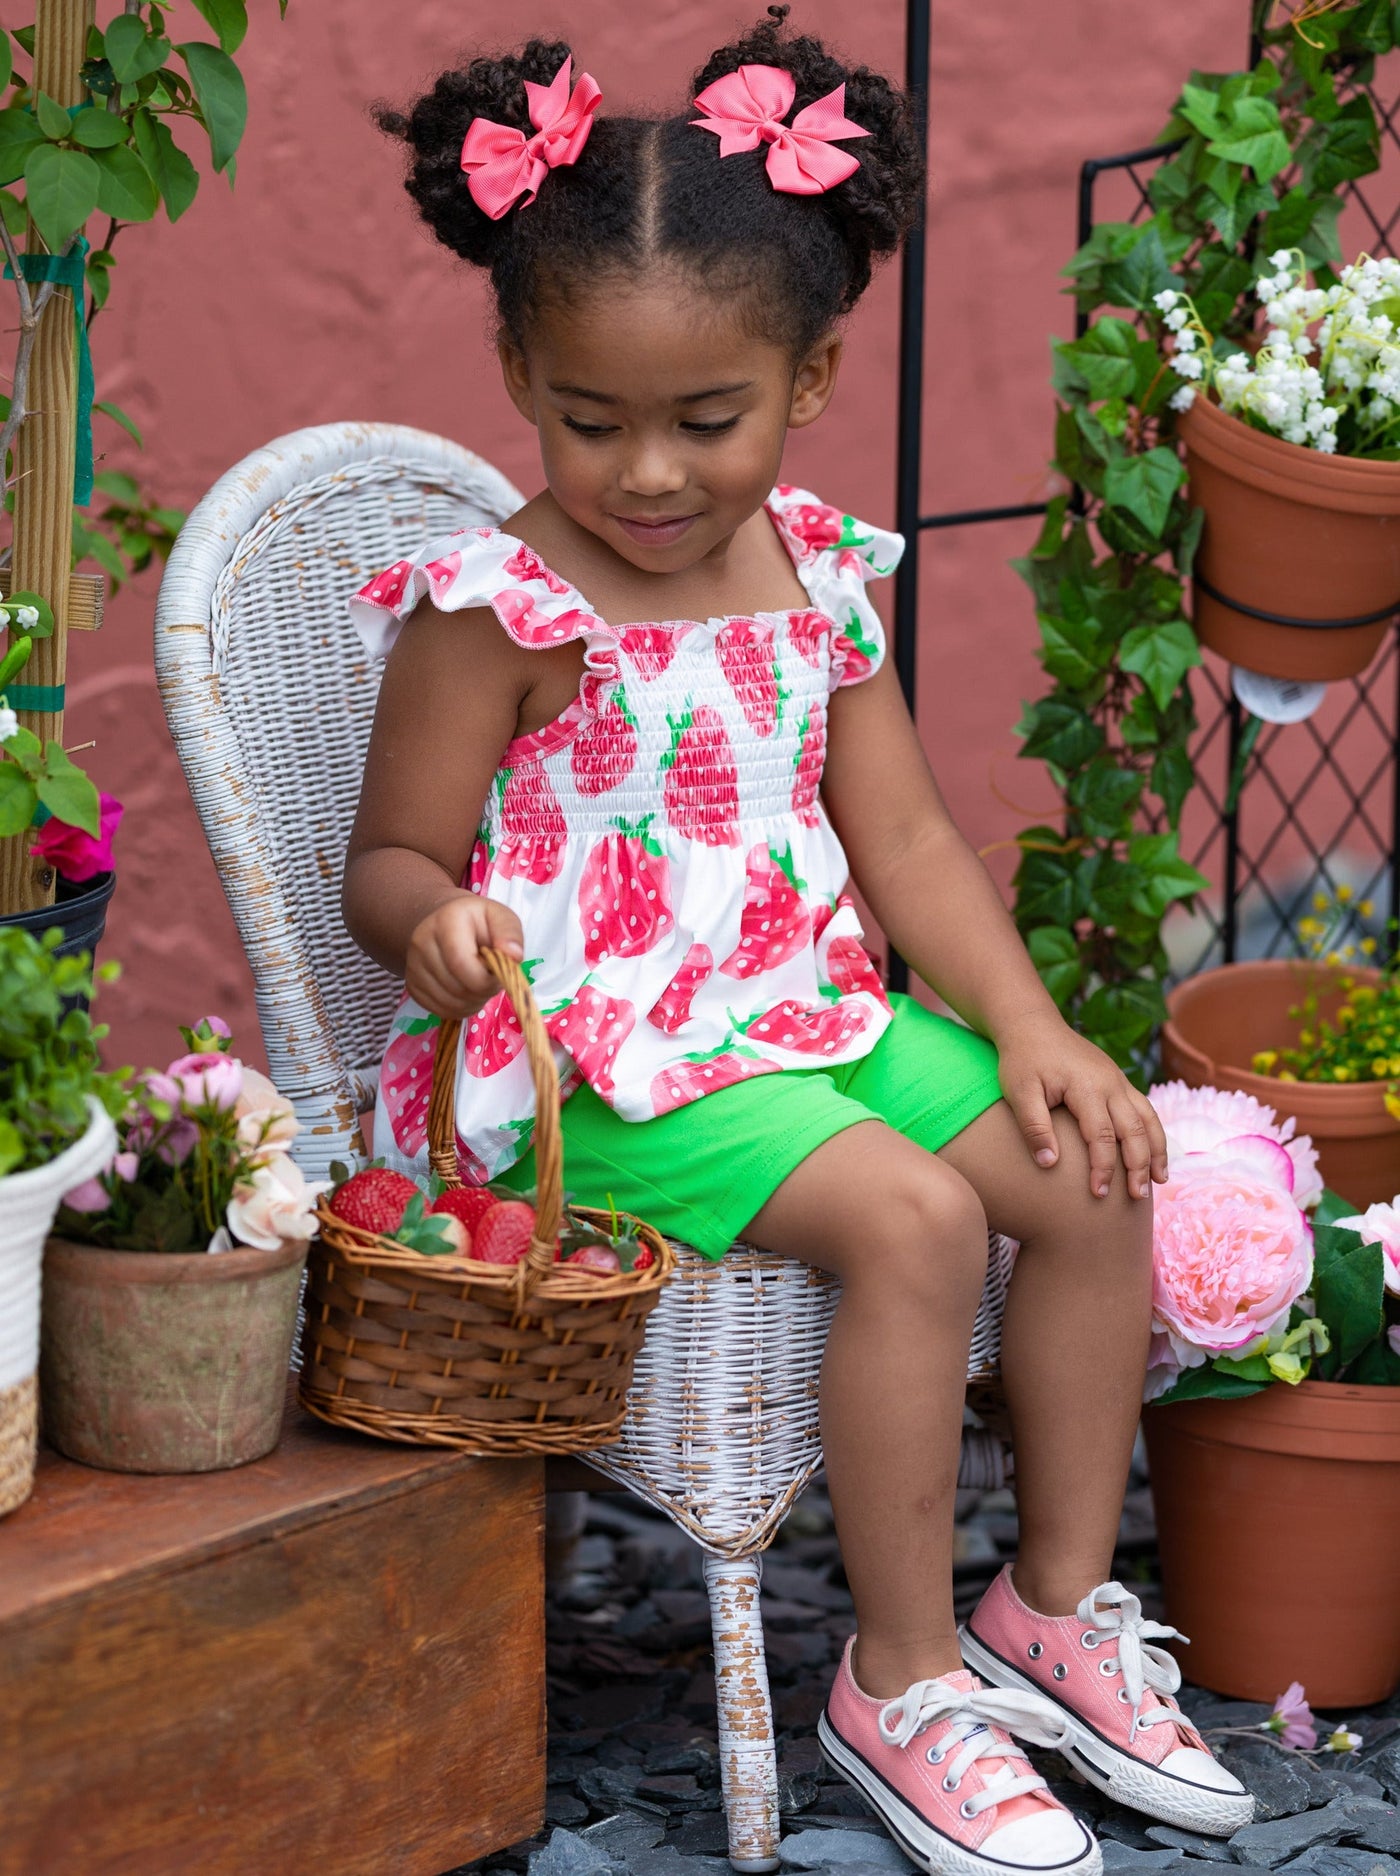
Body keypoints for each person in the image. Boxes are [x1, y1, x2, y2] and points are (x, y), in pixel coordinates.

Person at [345, 13, 1252, 1870]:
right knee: (915, 1220)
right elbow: (390, 853)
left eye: (708, 420)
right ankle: (898, 1678)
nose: (653, 474)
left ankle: (1052, 1612)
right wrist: (430, 917)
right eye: (592, 420)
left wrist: (1033, 1033)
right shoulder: (494, 603)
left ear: (813, 376)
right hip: (599, 1060)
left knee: (1085, 1170)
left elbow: (903, 838)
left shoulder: (820, 572)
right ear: (519, 364)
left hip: (803, 1015)